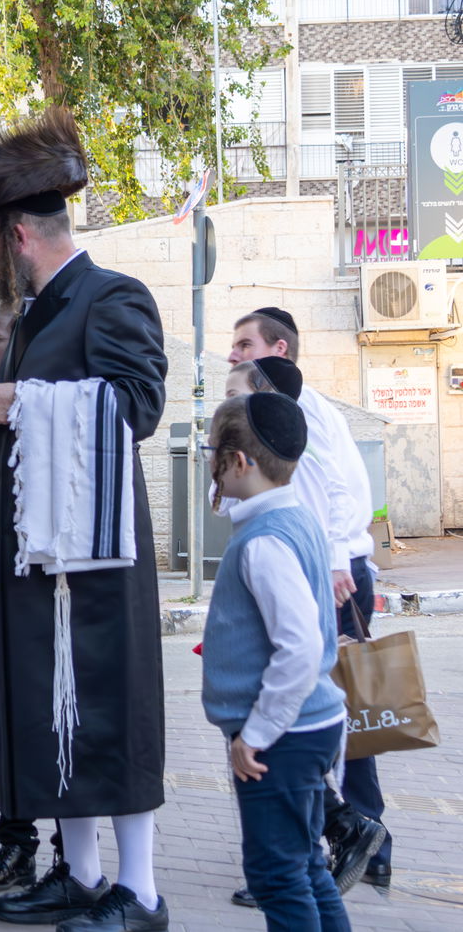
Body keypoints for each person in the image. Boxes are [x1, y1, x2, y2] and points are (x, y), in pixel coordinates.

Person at [0, 108, 170, 931]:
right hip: (34, 556)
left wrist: (24, 399)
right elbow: (8, 448)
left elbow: (139, 407)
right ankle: (83, 876)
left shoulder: (113, 297)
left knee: (110, 712)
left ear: (22, 232)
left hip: (96, 563)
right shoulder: (32, 314)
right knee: (52, 711)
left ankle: (139, 893)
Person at [227, 309, 390, 890]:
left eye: (244, 345)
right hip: (326, 571)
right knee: (341, 714)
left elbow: (336, 492)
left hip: (326, 576)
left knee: (316, 715)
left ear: (278, 352)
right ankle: (362, 837)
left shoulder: (295, 411)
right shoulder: (289, 405)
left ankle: (339, 839)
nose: (232, 355)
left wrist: (336, 563)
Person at [201, 392, 351, 932]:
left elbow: (301, 645)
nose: (207, 461)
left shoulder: (263, 542)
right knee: (307, 866)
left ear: (238, 462)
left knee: (277, 876)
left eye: (211, 450)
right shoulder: (295, 517)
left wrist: (256, 734)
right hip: (309, 726)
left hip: (282, 737)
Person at [0, 310, 55, 893]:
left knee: (45, 714)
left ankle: (74, 850)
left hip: (43, 587)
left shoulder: (47, 410)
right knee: (3, 711)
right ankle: (15, 840)